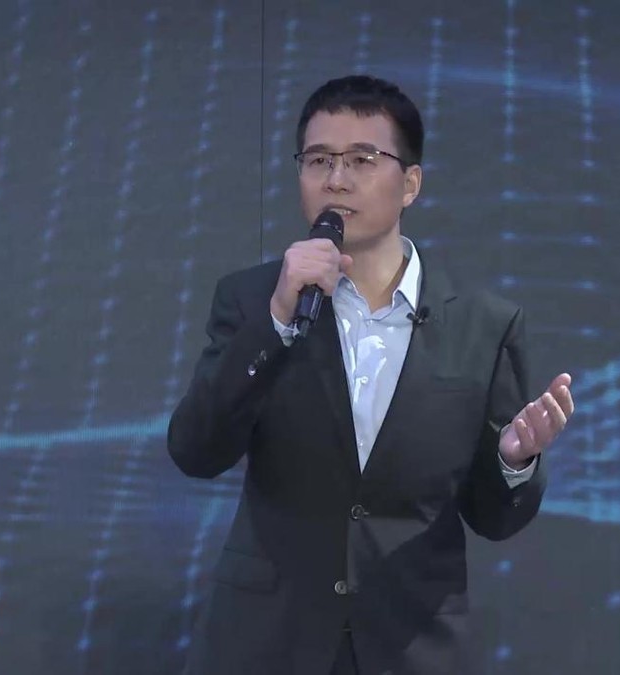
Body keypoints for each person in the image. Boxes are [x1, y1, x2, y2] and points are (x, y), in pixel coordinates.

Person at [167, 74, 575, 675]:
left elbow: (495, 519)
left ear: (410, 183)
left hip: (413, 644)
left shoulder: (485, 326)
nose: (336, 179)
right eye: (318, 160)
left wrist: (514, 461)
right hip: (269, 642)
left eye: (362, 159)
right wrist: (276, 321)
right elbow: (196, 451)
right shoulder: (254, 300)